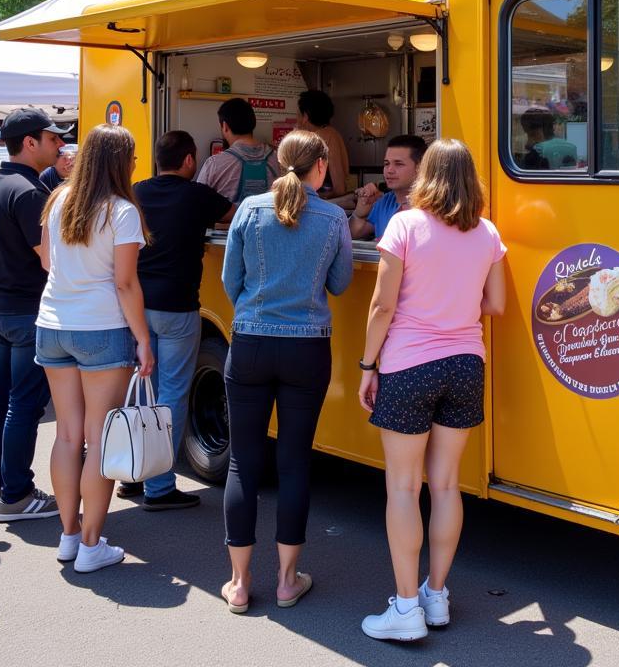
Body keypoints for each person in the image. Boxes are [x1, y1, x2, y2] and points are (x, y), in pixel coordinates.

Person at [358, 138, 506, 641]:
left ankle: (404, 609)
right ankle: (436, 597)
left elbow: (382, 305)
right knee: (445, 486)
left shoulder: (404, 224)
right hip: (467, 364)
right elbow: (498, 303)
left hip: (409, 365)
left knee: (403, 486)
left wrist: (366, 364)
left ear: (426, 175)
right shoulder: (486, 233)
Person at [220, 130, 352, 613]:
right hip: (307, 350)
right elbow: (338, 284)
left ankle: (238, 583)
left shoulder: (250, 211)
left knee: (243, 462)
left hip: (251, 344)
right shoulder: (334, 217)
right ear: (320, 166)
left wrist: (257, 313)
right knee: (294, 461)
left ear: (279, 164)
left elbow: (229, 280)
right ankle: (287, 580)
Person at [35, 124, 155, 571]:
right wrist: (143, 339)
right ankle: (91, 545)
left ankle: (68, 537)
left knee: (67, 435)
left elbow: (47, 262)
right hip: (102, 328)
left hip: (52, 323)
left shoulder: (58, 199)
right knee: (97, 440)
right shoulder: (122, 211)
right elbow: (125, 283)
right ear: (120, 162)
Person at [116, 130, 233, 508]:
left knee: (140, 392)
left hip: (137, 307)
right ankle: (160, 486)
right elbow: (238, 214)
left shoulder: (136, 192)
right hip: (178, 308)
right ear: (187, 160)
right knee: (171, 395)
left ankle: (132, 474)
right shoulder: (197, 196)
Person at [0, 109, 65, 521]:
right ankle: (17, 494)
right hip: (28, 310)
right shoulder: (29, 193)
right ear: (30, 142)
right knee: (22, 405)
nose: (60, 145)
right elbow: (48, 260)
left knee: (2, 399)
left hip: (0, 307)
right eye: (52, 138)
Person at [197, 97, 280, 203]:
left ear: (225, 126)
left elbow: (198, 204)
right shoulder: (278, 160)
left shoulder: (214, 164)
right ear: (252, 122)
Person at [349, 135, 427, 242]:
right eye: (386, 164)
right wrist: (359, 214)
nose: (389, 170)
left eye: (398, 164)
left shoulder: (431, 206)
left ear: (420, 167)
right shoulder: (384, 202)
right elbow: (353, 233)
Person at [298, 90, 350, 199]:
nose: (297, 119)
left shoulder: (325, 137)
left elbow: (339, 188)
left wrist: (309, 197)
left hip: (328, 207)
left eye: (299, 114)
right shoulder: (331, 133)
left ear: (306, 116)